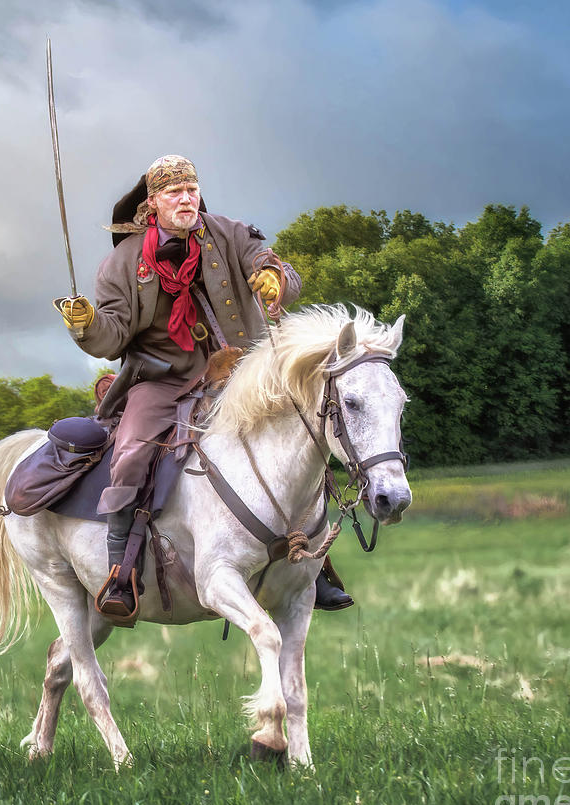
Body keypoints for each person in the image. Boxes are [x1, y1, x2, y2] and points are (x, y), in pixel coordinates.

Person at [56, 155, 352, 623]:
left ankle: (313, 567)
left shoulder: (228, 232)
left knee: (301, 430)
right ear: (152, 204)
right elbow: (110, 337)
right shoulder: (122, 263)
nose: (187, 199)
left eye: (192, 190)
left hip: (240, 368)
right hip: (162, 378)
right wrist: (86, 324)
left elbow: (272, 264)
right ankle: (121, 569)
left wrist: (274, 278)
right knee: (131, 449)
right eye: (175, 193)